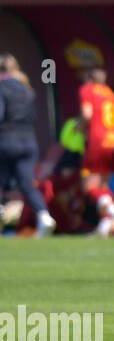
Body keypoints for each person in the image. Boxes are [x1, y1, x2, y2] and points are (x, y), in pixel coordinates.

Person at [0, 55, 56, 237]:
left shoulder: (2, 87)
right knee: (27, 184)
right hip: (29, 142)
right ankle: (44, 216)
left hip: (6, 141)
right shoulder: (27, 89)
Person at [78, 67, 114, 236]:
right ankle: (105, 226)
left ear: (89, 79)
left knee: (89, 186)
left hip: (98, 141)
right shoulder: (110, 93)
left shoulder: (87, 89)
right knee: (103, 185)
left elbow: (87, 114)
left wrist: (79, 127)